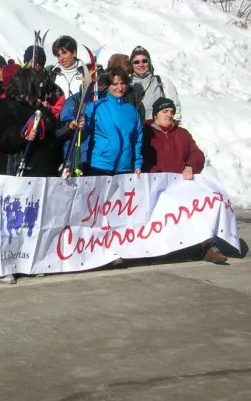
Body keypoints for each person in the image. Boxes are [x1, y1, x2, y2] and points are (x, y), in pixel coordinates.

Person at [141, 97, 226, 264]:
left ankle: (208, 245)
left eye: (171, 112)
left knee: (203, 202)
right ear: (156, 114)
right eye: (165, 111)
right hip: (153, 185)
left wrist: (190, 166)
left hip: (179, 184)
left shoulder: (182, 134)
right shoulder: (146, 133)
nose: (169, 115)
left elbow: (197, 154)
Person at [0, 68, 60, 178]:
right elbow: (1, 135)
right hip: (17, 170)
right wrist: (22, 135)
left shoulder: (41, 109)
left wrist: (69, 129)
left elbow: (54, 132)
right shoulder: (7, 108)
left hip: (44, 172)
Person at [83, 68, 143, 177]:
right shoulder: (96, 107)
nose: (119, 88)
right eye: (115, 84)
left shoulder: (131, 110)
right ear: (108, 86)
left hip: (124, 166)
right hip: (100, 165)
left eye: (123, 83)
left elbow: (136, 139)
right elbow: (84, 135)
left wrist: (137, 164)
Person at [129, 46, 182, 123]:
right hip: (134, 130)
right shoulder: (125, 84)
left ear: (149, 63)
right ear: (131, 65)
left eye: (144, 61)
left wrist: (177, 125)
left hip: (157, 131)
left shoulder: (162, 82)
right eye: (136, 62)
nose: (141, 64)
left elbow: (175, 107)